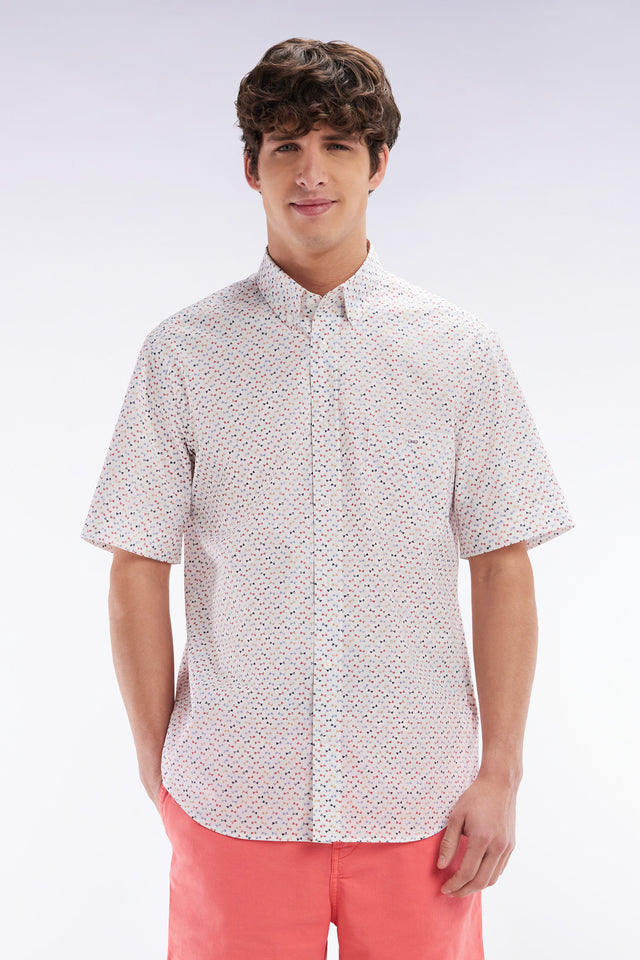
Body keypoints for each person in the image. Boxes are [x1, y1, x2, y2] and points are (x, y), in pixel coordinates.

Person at [80, 37, 575, 960]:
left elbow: (503, 563)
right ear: (252, 168)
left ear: (378, 164)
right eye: (286, 147)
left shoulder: (459, 351)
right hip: (233, 801)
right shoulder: (182, 354)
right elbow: (136, 564)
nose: (310, 173)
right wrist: (160, 769)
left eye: (338, 146)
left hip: (424, 806)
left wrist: (502, 771)